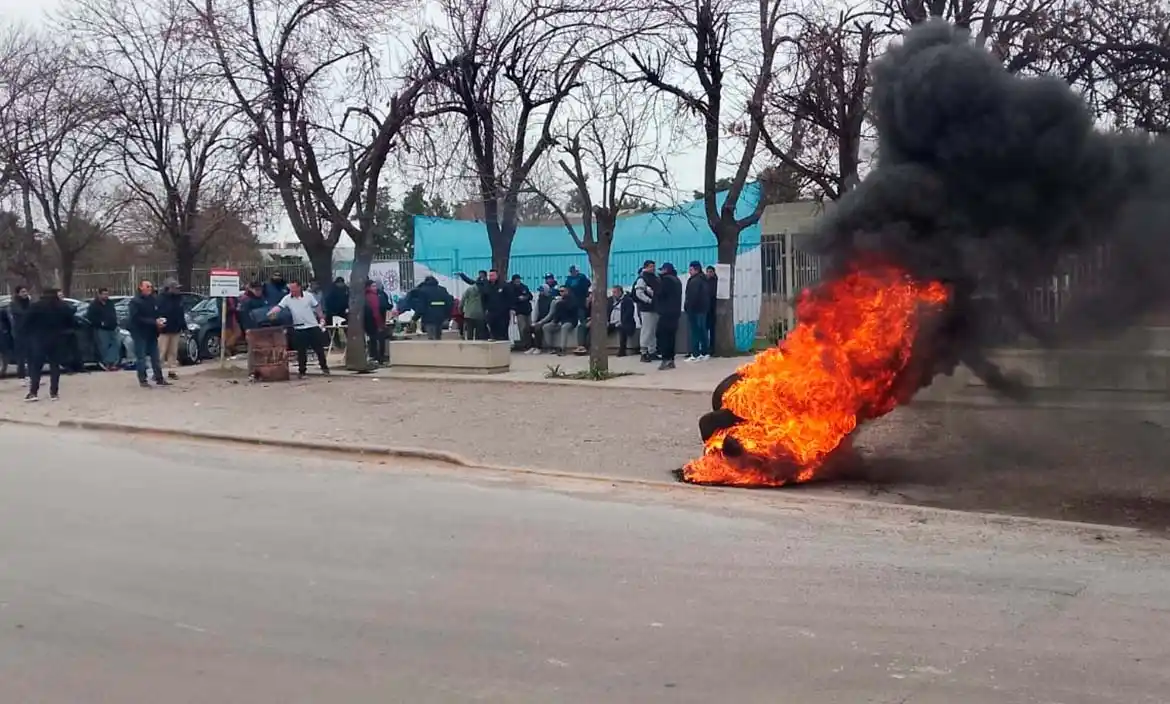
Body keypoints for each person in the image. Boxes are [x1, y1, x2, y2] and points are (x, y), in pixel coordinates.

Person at [22, 288, 74, 401]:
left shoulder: (36, 306)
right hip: (57, 338)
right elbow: (71, 322)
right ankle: (54, 393)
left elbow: (26, 322)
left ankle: (33, 392)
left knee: (36, 366)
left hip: (39, 339)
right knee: (55, 366)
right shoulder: (63, 306)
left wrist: (29, 334)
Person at [273, 279, 330, 379]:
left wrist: (321, 318)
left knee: (319, 349)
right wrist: (272, 312)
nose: (292, 290)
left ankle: (324, 367)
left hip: (312, 326)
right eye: (291, 288)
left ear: (299, 287)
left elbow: (317, 307)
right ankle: (302, 371)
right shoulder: (287, 298)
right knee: (301, 351)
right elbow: (279, 307)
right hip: (299, 328)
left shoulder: (308, 296)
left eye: (294, 288)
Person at [128, 280, 169, 388]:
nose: (150, 288)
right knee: (141, 357)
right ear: (141, 287)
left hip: (152, 333)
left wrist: (159, 321)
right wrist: (153, 322)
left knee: (155, 357)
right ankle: (143, 379)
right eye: (147, 286)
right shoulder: (135, 302)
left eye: (150, 286)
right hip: (140, 333)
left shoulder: (153, 300)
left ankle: (159, 378)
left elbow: (156, 313)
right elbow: (136, 318)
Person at [397, 275, 453, 340]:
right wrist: (447, 315)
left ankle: (433, 345)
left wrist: (414, 318)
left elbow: (421, 307)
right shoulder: (442, 290)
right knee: (438, 337)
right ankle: (438, 344)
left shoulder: (423, 291)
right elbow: (449, 303)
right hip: (440, 317)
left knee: (431, 338)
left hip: (428, 318)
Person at [532, 286, 578, 355]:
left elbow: (572, 311)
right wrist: (554, 321)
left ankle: (562, 349)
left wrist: (562, 303)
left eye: (562, 291)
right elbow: (554, 313)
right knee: (546, 327)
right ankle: (550, 348)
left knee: (564, 327)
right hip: (559, 321)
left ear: (567, 291)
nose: (561, 293)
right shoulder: (556, 301)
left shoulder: (572, 300)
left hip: (570, 321)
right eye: (560, 291)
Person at [655, 262, 683, 370]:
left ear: (666, 270)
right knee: (671, 337)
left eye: (662, 270)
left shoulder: (666, 280)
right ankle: (671, 360)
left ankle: (665, 359)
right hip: (675, 312)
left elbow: (660, 294)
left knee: (663, 336)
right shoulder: (677, 280)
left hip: (666, 312)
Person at [85, 287, 121, 370]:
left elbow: (113, 313)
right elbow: (90, 316)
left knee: (117, 343)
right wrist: (100, 323)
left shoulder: (110, 303)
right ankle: (107, 364)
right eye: (104, 294)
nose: (106, 296)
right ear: (99, 295)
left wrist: (115, 322)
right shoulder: (94, 305)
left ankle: (110, 361)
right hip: (101, 329)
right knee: (104, 346)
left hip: (113, 327)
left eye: (107, 294)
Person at [157, 280, 186, 380]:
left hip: (176, 329)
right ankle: (157, 372)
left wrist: (183, 326)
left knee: (173, 352)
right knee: (162, 351)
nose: (178, 290)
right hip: (164, 330)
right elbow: (158, 313)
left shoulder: (178, 298)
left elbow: (181, 313)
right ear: (169, 288)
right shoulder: (161, 299)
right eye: (176, 288)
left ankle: (172, 371)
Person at [684, 261, 711, 362]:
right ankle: (705, 352)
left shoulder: (695, 281)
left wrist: (688, 307)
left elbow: (692, 296)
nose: (689, 271)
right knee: (702, 331)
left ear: (696, 269)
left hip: (695, 310)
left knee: (695, 331)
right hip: (702, 309)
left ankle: (695, 354)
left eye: (691, 269)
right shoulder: (703, 279)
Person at [5, 285, 31, 380]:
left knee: (31, 355)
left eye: (26, 291)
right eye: (23, 292)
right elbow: (20, 314)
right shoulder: (14, 304)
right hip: (19, 333)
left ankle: (31, 376)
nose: (25, 294)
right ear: (18, 293)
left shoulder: (29, 302)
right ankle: (21, 376)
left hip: (30, 332)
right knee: (21, 356)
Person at [634, 260, 659, 362]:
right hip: (646, 309)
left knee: (652, 331)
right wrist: (649, 301)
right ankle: (643, 352)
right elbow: (639, 293)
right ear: (646, 267)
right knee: (647, 330)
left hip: (654, 308)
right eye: (651, 266)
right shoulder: (642, 278)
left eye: (653, 266)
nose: (653, 268)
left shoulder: (654, 278)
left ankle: (652, 351)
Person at [362, 280, 388, 364]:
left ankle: (374, 356)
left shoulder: (367, 296)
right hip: (374, 321)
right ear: (368, 287)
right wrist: (380, 323)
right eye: (373, 286)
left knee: (373, 340)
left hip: (369, 322)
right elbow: (377, 310)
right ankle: (379, 357)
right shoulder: (373, 296)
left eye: (375, 286)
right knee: (379, 340)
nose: (375, 288)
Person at [459, 271, 487, 340]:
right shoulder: (486, 289)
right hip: (480, 314)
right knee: (479, 333)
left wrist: (460, 310)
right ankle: (478, 345)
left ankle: (470, 344)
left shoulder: (469, 289)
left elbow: (462, 301)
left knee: (469, 332)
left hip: (469, 314)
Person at [323, 276, 349, 347]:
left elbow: (348, 299)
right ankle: (337, 344)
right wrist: (331, 311)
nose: (341, 284)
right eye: (339, 283)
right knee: (334, 330)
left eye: (342, 283)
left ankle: (350, 342)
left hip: (343, 312)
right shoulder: (331, 290)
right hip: (332, 313)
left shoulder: (346, 289)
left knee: (346, 327)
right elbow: (328, 301)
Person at [613, 285, 638, 357]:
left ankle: (622, 350)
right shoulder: (611, 300)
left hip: (625, 323)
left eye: (615, 292)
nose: (613, 294)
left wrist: (621, 321)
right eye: (613, 292)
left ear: (620, 292)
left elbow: (629, 313)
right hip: (613, 322)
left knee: (622, 328)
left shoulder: (627, 300)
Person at [510, 274, 533, 349]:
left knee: (529, 327)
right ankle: (524, 343)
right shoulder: (511, 288)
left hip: (527, 310)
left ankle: (530, 343)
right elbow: (511, 299)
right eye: (516, 281)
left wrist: (525, 297)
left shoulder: (524, 287)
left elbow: (530, 296)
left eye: (519, 280)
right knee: (522, 328)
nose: (518, 282)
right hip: (519, 311)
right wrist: (518, 299)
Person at [705, 264, 718, 354]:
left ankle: (712, 347)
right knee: (705, 328)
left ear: (713, 273)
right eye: (708, 272)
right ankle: (706, 347)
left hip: (712, 308)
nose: (709, 274)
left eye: (710, 272)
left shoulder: (715, 281)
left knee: (712, 329)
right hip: (706, 308)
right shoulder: (705, 281)